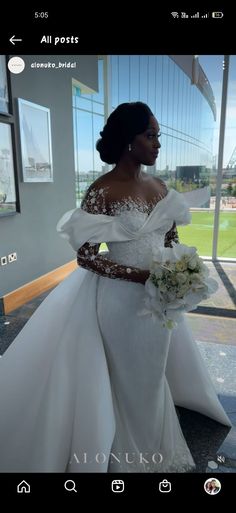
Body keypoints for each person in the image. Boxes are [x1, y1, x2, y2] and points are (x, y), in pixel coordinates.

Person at [0, 102, 231, 473]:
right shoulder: (101, 191)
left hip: (161, 302)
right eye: (150, 135)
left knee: (153, 376)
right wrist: (140, 277)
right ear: (128, 140)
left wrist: (177, 271)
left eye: (159, 136)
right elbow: (87, 257)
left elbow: (170, 238)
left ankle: (155, 446)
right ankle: (126, 456)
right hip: (121, 303)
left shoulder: (160, 187)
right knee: (126, 377)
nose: (158, 144)